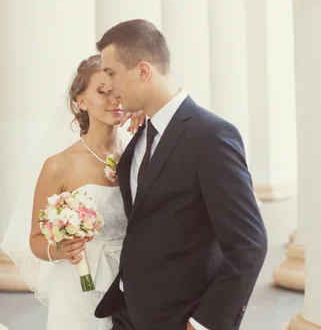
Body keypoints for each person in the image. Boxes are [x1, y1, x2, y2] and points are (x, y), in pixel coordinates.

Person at [93, 19, 268, 330]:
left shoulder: (211, 136)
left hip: (178, 318)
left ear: (143, 71)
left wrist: (203, 324)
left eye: (112, 73)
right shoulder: (141, 133)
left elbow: (248, 245)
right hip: (126, 312)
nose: (109, 86)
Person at [16, 55, 143, 330]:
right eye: (102, 91)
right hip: (79, 288)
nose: (115, 99)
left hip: (133, 285)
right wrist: (63, 248)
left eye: (119, 90)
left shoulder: (140, 154)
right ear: (81, 101)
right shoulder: (58, 165)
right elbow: (36, 240)